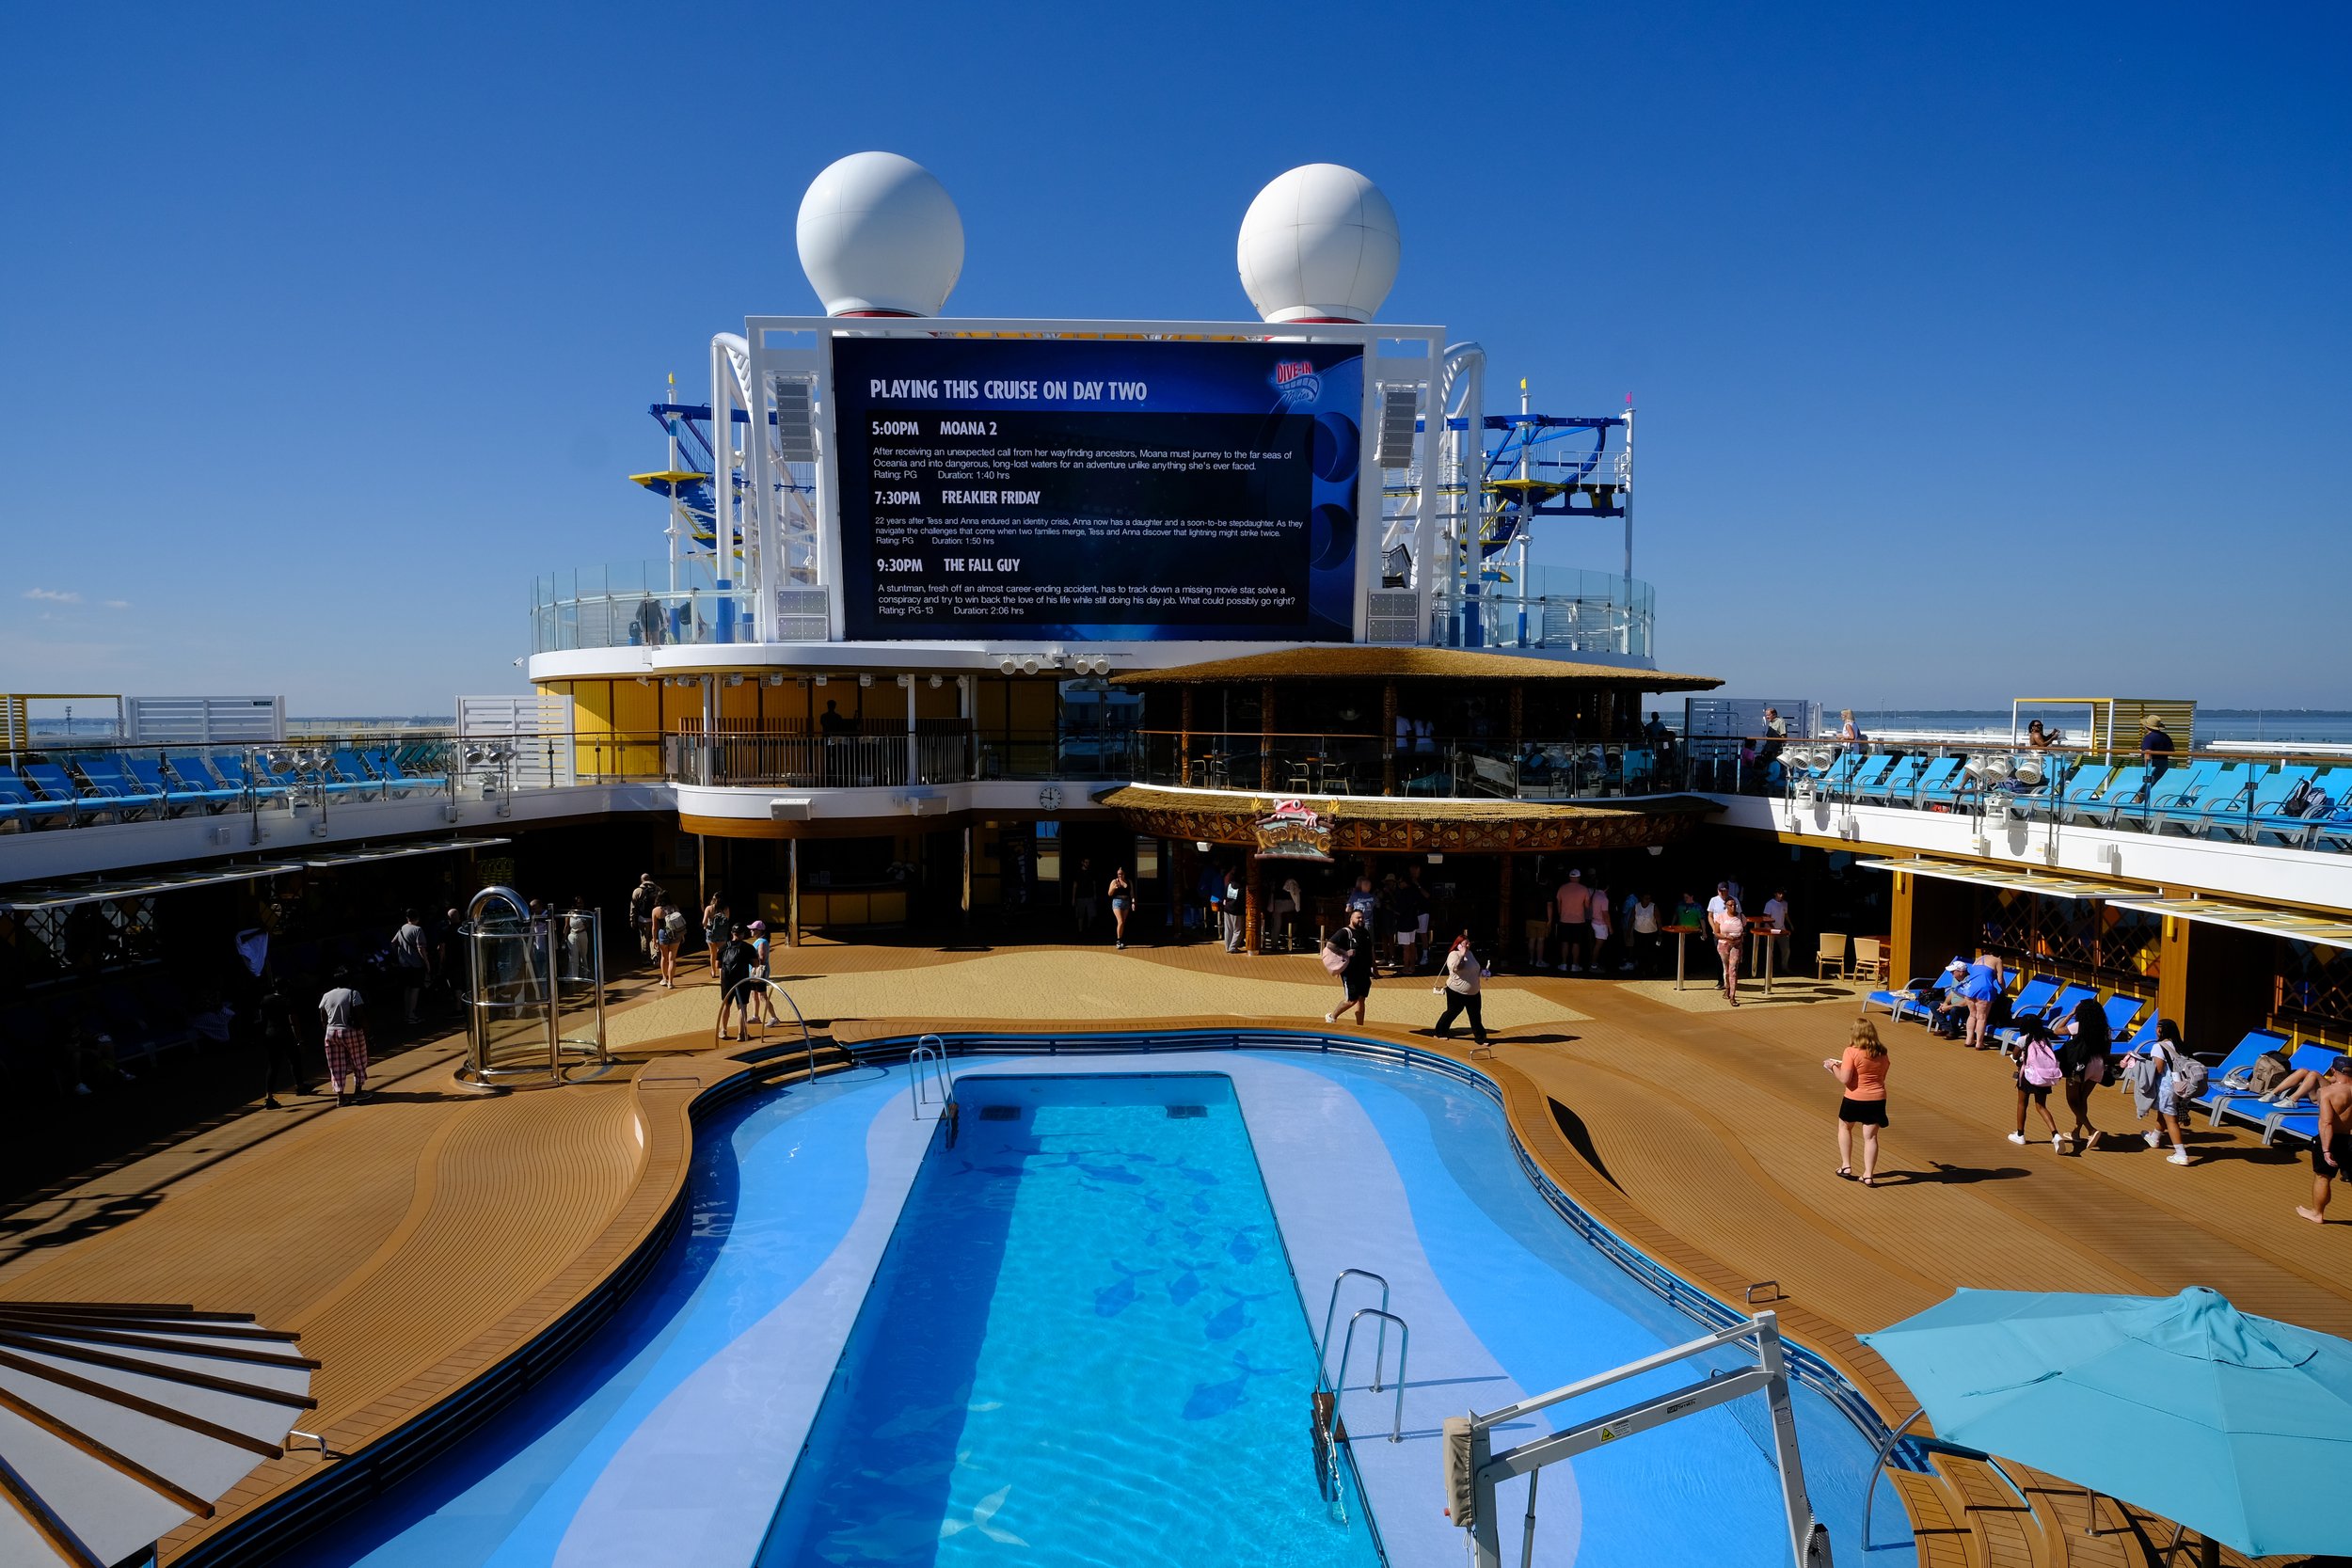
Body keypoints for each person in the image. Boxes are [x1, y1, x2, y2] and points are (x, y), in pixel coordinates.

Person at [1824, 1019, 1889, 1184]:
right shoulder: (1882, 1052)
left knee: (1845, 1127)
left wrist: (1832, 1067)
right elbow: (1882, 1075)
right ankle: (1868, 1175)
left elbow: (1845, 1079)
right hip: (1877, 1098)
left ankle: (1846, 1166)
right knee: (1871, 1137)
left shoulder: (1851, 1051)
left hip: (1855, 1097)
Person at [2129, 1018, 2198, 1164]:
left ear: (2160, 1030)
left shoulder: (2159, 1047)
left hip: (2167, 1088)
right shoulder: (2180, 1045)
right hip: (2182, 1087)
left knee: (2171, 1120)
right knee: (2165, 1112)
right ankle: (2155, 1137)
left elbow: (2158, 1069)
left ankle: (2181, 1154)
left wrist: (2141, 1065)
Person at [2296, 1057, 2352, 1224]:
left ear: (2333, 1071)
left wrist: (2326, 1150)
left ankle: (2317, 1213)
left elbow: (2326, 1122)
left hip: (2333, 1139)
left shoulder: (2327, 1092)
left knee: (2323, 1177)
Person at [2055, 996, 2112, 1151]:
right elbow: (2107, 1050)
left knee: (2072, 1100)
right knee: (2082, 1099)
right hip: (2098, 1065)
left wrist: (2070, 1014)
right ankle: (2076, 1132)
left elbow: (2057, 1031)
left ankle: (2091, 1129)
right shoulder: (2106, 1029)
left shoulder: (2078, 1026)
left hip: (2080, 1066)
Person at [2003, 1017, 2066, 1148]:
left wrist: (2019, 1060)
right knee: (2041, 1106)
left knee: (2022, 1103)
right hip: (2044, 1077)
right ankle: (2055, 1135)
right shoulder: (2046, 1040)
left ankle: (2020, 1135)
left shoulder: (2023, 1039)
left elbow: (2015, 1056)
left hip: (2028, 1076)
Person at [1431, 931, 1489, 1049]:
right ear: (1458, 945)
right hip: (1456, 992)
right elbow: (1457, 968)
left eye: (1468, 943)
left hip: (1474, 992)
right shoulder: (1454, 955)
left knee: (1475, 1015)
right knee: (1452, 1011)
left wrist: (1484, 972)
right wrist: (1462, 955)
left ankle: (1480, 1038)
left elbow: (1475, 969)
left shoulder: (1471, 954)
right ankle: (1440, 1032)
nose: (1468, 945)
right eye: (1465, 944)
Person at [319, 968, 369, 1104]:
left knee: (335, 1064)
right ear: (349, 981)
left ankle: (340, 1097)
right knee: (358, 1060)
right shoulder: (353, 993)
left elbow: (323, 1017)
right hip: (350, 1031)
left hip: (331, 1032)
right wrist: (367, 1032)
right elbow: (360, 1015)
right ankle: (358, 1091)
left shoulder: (326, 995)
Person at [257, 978, 306, 1109]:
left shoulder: (265, 999)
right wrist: (299, 1039)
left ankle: (269, 1096)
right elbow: (293, 1020)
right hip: (286, 1034)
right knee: (294, 1059)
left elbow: (262, 1019)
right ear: (285, 989)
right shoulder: (286, 1001)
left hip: (271, 1033)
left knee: (273, 1065)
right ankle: (300, 1086)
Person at [1323, 906, 1375, 1026]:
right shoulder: (1345, 932)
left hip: (1364, 971)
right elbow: (1330, 945)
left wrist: (1374, 969)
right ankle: (1332, 1016)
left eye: (1362, 917)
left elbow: (1370, 950)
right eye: (1358, 918)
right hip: (1351, 972)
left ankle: (1360, 1026)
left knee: (1361, 999)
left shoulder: (1365, 932)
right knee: (1351, 1000)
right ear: (1351, 918)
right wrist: (1345, 953)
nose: (1361, 920)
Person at [715, 925, 759, 1041]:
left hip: (726, 980)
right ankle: (741, 1033)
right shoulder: (748, 948)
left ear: (732, 933)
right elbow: (756, 964)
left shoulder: (723, 947)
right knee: (742, 1006)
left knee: (726, 1005)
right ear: (743, 934)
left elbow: (717, 966)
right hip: (742, 979)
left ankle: (723, 1031)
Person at [389, 908, 430, 1023]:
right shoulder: (418, 930)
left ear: (407, 918)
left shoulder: (402, 928)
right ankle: (412, 1015)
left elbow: (393, 942)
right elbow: (421, 948)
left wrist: (400, 954)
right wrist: (427, 963)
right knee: (415, 989)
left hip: (404, 965)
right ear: (417, 918)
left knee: (407, 989)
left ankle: (407, 1013)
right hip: (415, 965)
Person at [1955, 953, 2001, 1051]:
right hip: (1984, 989)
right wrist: (2005, 991)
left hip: (1970, 988)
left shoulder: (1979, 958)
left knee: (1972, 1015)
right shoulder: (1997, 960)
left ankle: (1969, 1040)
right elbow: (2000, 980)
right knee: (1981, 1018)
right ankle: (1979, 1043)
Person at [1709, 895, 1746, 1005]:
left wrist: (1739, 937)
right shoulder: (1720, 917)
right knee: (1726, 969)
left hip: (1736, 945)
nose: (1733, 907)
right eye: (1730, 905)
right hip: (1724, 944)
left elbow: (1744, 931)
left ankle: (1732, 996)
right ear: (1726, 906)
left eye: (1735, 905)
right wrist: (1726, 937)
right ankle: (1727, 988)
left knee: (1733, 969)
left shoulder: (1741, 916)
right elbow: (1716, 933)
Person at [1553, 869, 1591, 974]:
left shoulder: (1562, 888)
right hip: (1578, 920)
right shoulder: (1584, 889)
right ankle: (1575, 965)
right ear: (1579, 878)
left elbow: (1558, 905)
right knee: (1576, 943)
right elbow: (1587, 906)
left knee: (1565, 942)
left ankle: (1564, 964)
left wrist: (1561, 914)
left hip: (1564, 919)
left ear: (1570, 877)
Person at [653, 896, 685, 988]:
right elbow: (680, 922)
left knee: (664, 957)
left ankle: (664, 979)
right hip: (675, 934)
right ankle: (670, 982)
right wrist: (682, 935)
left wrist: (654, 939)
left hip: (662, 933)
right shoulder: (674, 907)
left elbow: (654, 927)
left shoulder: (656, 910)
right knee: (672, 959)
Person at [1629, 891, 1661, 974]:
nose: (1648, 900)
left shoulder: (1653, 907)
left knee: (1650, 952)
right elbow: (1631, 919)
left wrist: (1660, 934)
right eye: (1646, 898)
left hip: (1651, 933)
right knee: (1640, 951)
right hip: (1639, 933)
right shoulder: (1636, 906)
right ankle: (1641, 968)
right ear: (1642, 898)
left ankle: (1650, 968)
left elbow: (1659, 921)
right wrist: (1629, 932)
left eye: (1649, 898)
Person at [628, 874, 660, 958]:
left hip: (643, 919)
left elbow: (633, 906)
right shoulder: (658, 889)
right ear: (650, 879)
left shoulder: (637, 891)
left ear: (641, 880)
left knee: (644, 938)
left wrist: (632, 919)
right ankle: (655, 955)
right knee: (654, 937)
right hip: (655, 918)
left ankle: (645, 959)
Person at [1586, 877, 1613, 974]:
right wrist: (1610, 928)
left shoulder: (1595, 894)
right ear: (1607, 888)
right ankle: (1593, 965)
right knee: (1598, 946)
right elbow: (1605, 914)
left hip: (1594, 921)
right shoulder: (1604, 898)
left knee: (1596, 945)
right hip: (1600, 924)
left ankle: (1594, 963)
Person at [564, 895, 594, 981]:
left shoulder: (586, 913)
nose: (580, 904)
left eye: (581, 902)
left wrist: (586, 923)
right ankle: (572, 976)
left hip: (582, 934)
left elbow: (589, 926)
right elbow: (566, 927)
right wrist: (564, 938)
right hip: (572, 936)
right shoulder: (569, 913)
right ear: (574, 904)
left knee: (584, 955)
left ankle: (585, 974)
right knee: (573, 956)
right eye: (578, 903)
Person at [1762, 889, 1791, 973]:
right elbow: (1767, 917)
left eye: (1782, 893)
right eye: (1779, 893)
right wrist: (1773, 927)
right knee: (1769, 950)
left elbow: (1786, 915)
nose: (1781, 895)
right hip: (1770, 930)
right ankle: (1769, 968)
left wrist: (1790, 925)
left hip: (1782, 929)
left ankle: (1785, 967)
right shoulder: (1769, 903)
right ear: (1775, 893)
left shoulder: (1785, 903)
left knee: (1786, 949)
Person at [2140, 717, 2174, 786]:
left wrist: (2147, 768)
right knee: (2158, 786)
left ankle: (2140, 797)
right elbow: (2172, 750)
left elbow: (2148, 754)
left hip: (2152, 766)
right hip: (2164, 765)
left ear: (2147, 726)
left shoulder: (2149, 737)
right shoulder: (2165, 736)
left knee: (2144, 787)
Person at [702, 895, 729, 975]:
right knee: (721, 953)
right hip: (722, 933)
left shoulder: (709, 908)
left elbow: (704, 921)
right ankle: (721, 971)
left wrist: (705, 926)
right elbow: (727, 919)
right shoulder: (726, 908)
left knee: (713, 953)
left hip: (711, 933)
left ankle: (713, 971)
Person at [1108, 866, 1133, 950]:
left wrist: (1133, 902)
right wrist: (1114, 888)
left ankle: (1121, 940)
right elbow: (1109, 893)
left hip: (1126, 902)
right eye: (1118, 874)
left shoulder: (1129, 881)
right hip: (1117, 901)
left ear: (1124, 874)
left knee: (1123, 922)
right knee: (1120, 921)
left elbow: (1132, 893)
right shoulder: (1115, 881)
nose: (1120, 875)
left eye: (1121, 874)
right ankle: (1118, 941)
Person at [1073, 857, 1098, 934]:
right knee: (1080, 915)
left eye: (1088, 862)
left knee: (1092, 915)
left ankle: (1088, 927)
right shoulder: (1078, 872)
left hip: (1090, 897)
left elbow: (1094, 884)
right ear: (1082, 862)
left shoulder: (1091, 872)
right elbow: (1075, 885)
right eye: (1086, 862)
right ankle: (1080, 931)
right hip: (1080, 897)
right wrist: (1073, 898)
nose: (1087, 864)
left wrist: (1095, 894)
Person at [1222, 865, 1246, 953]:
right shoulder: (1242, 888)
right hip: (1236, 910)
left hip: (1227, 908)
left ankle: (1227, 947)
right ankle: (1233, 947)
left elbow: (1225, 896)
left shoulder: (1229, 885)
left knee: (1228, 929)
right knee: (1238, 930)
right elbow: (1242, 900)